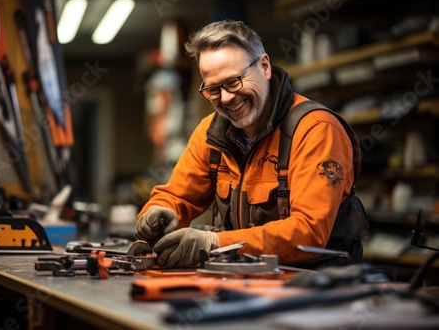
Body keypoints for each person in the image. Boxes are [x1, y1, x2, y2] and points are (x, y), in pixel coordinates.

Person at [135, 20, 368, 270]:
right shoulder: (211, 132)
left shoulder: (316, 129)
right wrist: (159, 211)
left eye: (233, 82)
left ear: (265, 67)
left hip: (318, 285)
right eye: (213, 89)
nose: (225, 98)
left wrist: (215, 243)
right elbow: (177, 195)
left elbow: (308, 231)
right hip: (249, 279)